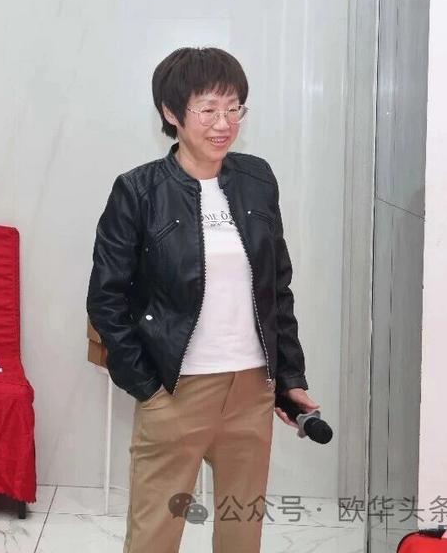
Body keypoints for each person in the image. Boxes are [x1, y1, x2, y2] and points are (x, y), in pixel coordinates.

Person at [86, 47, 319, 553]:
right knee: (154, 535)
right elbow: (106, 299)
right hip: (177, 389)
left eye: (234, 108)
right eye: (208, 109)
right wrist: (148, 388)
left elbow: (276, 286)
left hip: (252, 389)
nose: (223, 123)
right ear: (171, 113)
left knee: (241, 533)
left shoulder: (257, 179)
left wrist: (290, 377)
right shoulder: (139, 191)